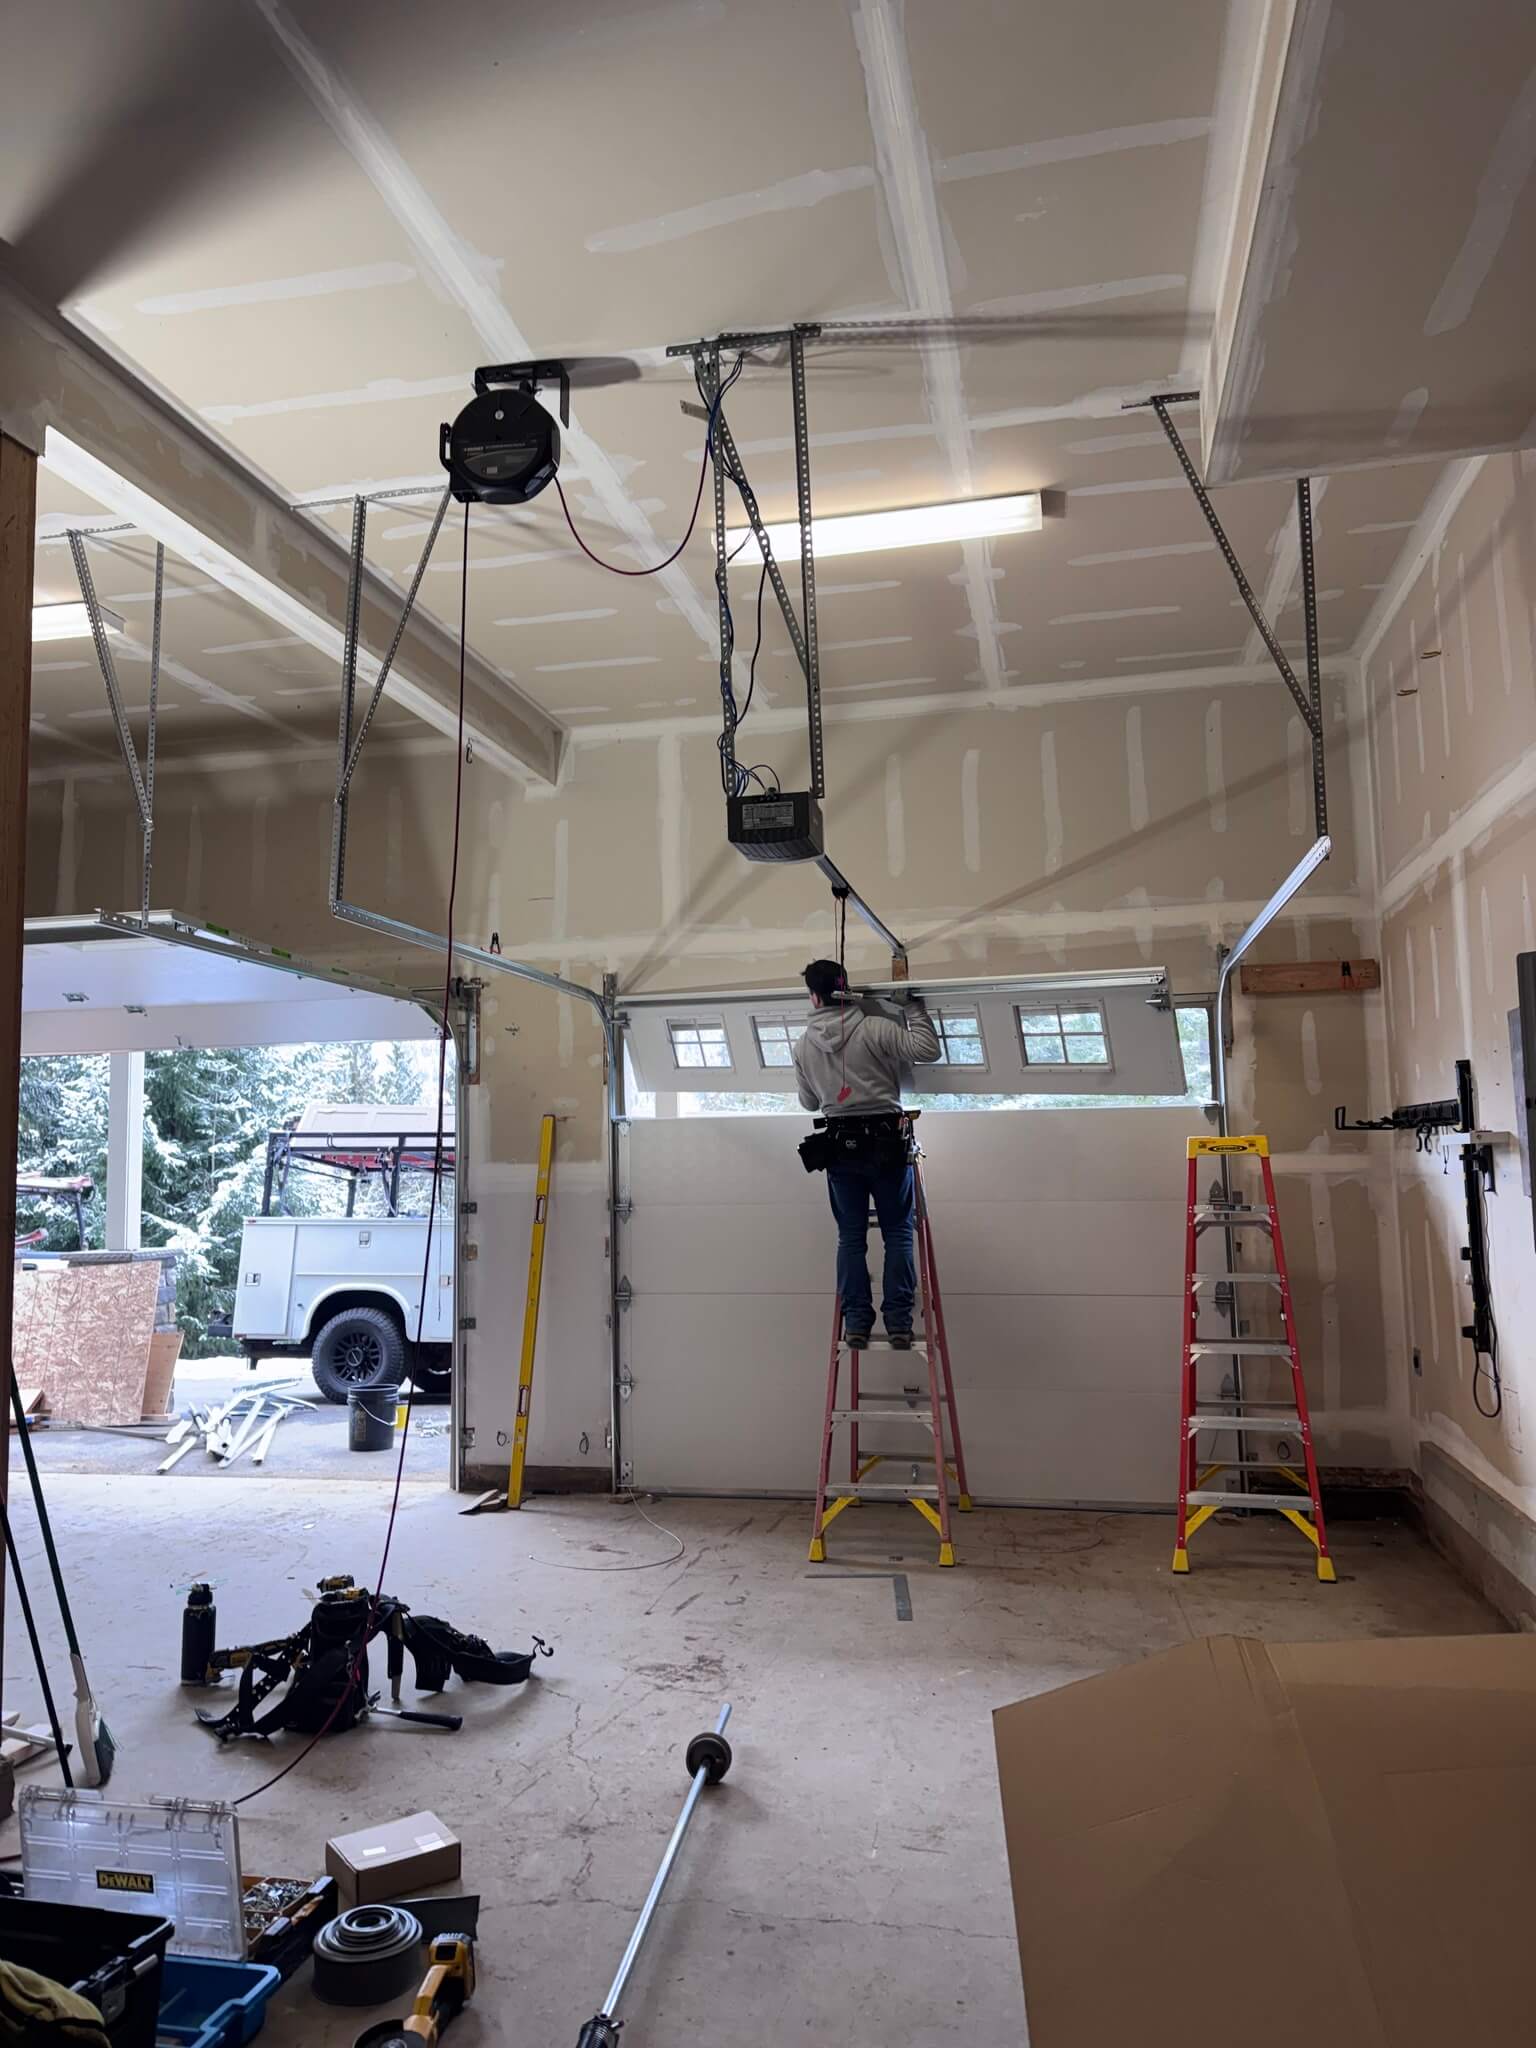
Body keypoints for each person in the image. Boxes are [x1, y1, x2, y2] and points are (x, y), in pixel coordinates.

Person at [793, 959, 941, 1349]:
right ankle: (898, 1325)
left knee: (851, 1238)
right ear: (846, 989)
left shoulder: (803, 1044)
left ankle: (856, 1323)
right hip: (887, 1145)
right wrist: (911, 1007)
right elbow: (927, 1049)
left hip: (840, 1150)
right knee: (897, 1234)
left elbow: (809, 1102)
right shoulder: (874, 1028)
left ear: (813, 996)